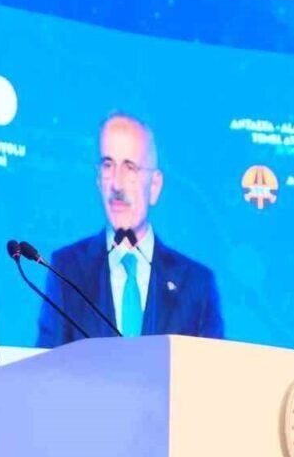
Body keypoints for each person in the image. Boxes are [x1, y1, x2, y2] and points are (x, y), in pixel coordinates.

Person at [37, 112, 223, 346]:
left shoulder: (196, 285)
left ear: (154, 186)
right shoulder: (66, 271)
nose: (117, 184)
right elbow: (47, 363)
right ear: (98, 180)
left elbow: (212, 368)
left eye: (130, 168)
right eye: (108, 166)